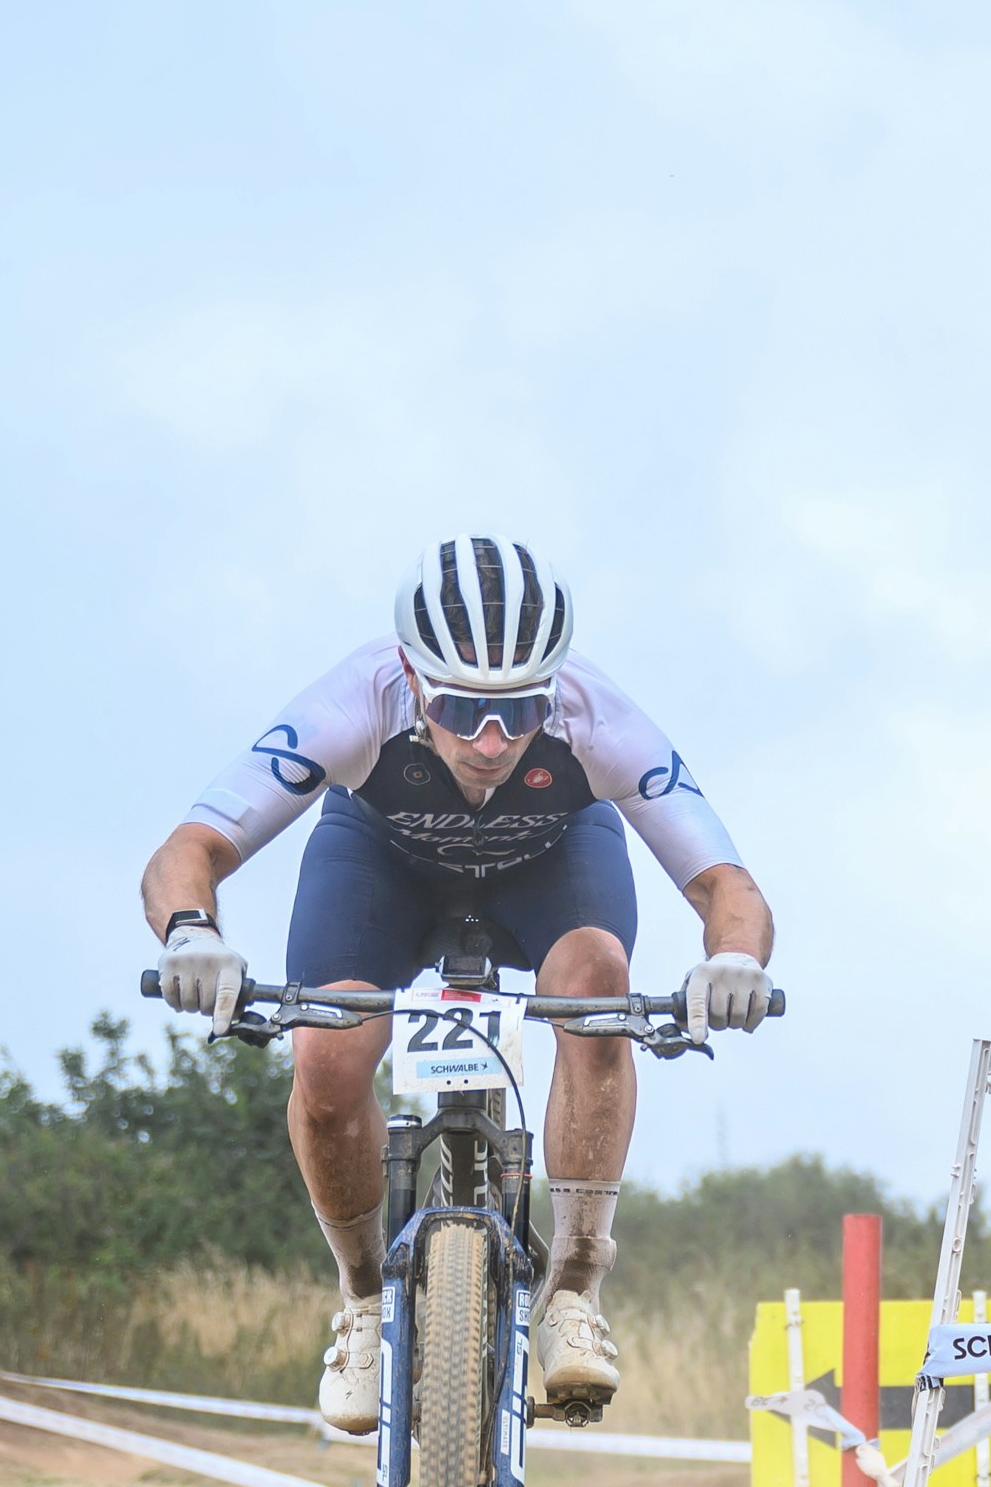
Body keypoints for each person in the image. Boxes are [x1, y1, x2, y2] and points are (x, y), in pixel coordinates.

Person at [138, 536, 775, 1433]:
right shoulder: (354, 701)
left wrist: (735, 960)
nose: (491, 740)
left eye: (519, 712)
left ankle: (573, 1288)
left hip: (549, 868)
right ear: (410, 673)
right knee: (328, 1057)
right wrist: (192, 932)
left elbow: (726, 887)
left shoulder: (599, 718)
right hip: (383, 870)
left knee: (600, 990)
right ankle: (365, 1302)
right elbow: (188, 849)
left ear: (552, 687)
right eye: (461, 708)